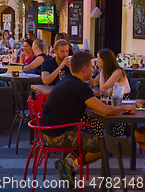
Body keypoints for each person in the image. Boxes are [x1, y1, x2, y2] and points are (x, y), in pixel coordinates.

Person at [40, 51, 135, 187]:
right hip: (59, 135)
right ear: (85, 69)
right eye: (91, 66)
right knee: (106, 144)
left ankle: (68, 164)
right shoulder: (80, 86)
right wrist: (124, 108)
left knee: (90, 136)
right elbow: (104, 111)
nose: (93, 69)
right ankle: (69, 165)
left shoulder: (67, 80)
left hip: (48, 131)